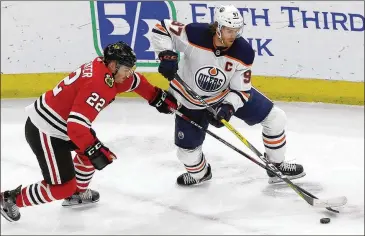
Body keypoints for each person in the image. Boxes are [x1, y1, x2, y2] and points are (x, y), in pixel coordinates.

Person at [0, 41, 177, 222]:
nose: (129, 74)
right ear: (113, 65)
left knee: (88, 154)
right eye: (126, 69)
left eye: (131, 69)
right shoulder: (98, 84)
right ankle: (9, 199)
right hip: (46, 129)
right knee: (63, 187)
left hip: (63, 125)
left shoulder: (106, 70)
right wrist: (95, 149)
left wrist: (155, 96)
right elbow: (76, 127)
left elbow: (136, 82)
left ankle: (77, 194)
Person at [150, 5, 305, 186]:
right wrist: (166, 55)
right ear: (218, 27)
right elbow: (162, 28)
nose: (233, 35)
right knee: (186, 153)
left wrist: (228, 108)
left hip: (223, 96)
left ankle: (276, 165)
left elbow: (241, 90)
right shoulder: (195, 34)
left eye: (236, 30)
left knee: (276, 118)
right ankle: (202, 174)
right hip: (188, 100)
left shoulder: (244, 52)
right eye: (229, 30)